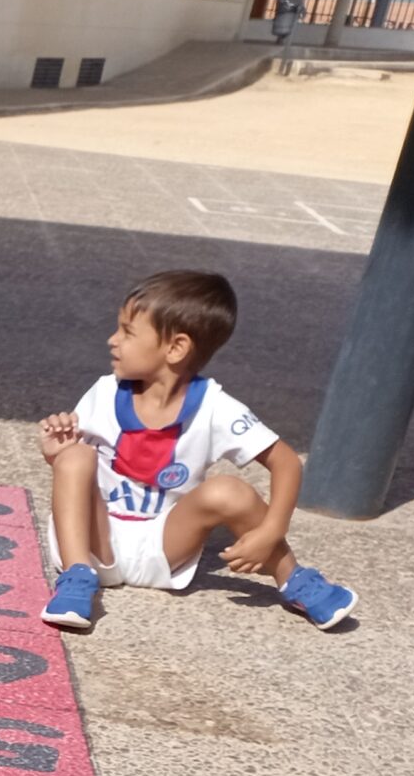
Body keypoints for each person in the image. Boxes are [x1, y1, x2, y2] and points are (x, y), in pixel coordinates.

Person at [39, 270, 356, 633]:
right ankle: (76, 579)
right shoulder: (104, 392)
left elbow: (287, 463)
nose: (113, 340)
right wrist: (56, 454)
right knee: (76, 456)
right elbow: (72, 475)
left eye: (127, 331)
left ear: (176, 348)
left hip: (163, 548)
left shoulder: (215, 408)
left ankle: (295, 580)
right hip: (95, 544)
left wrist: (272, 529)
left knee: (229, 490)